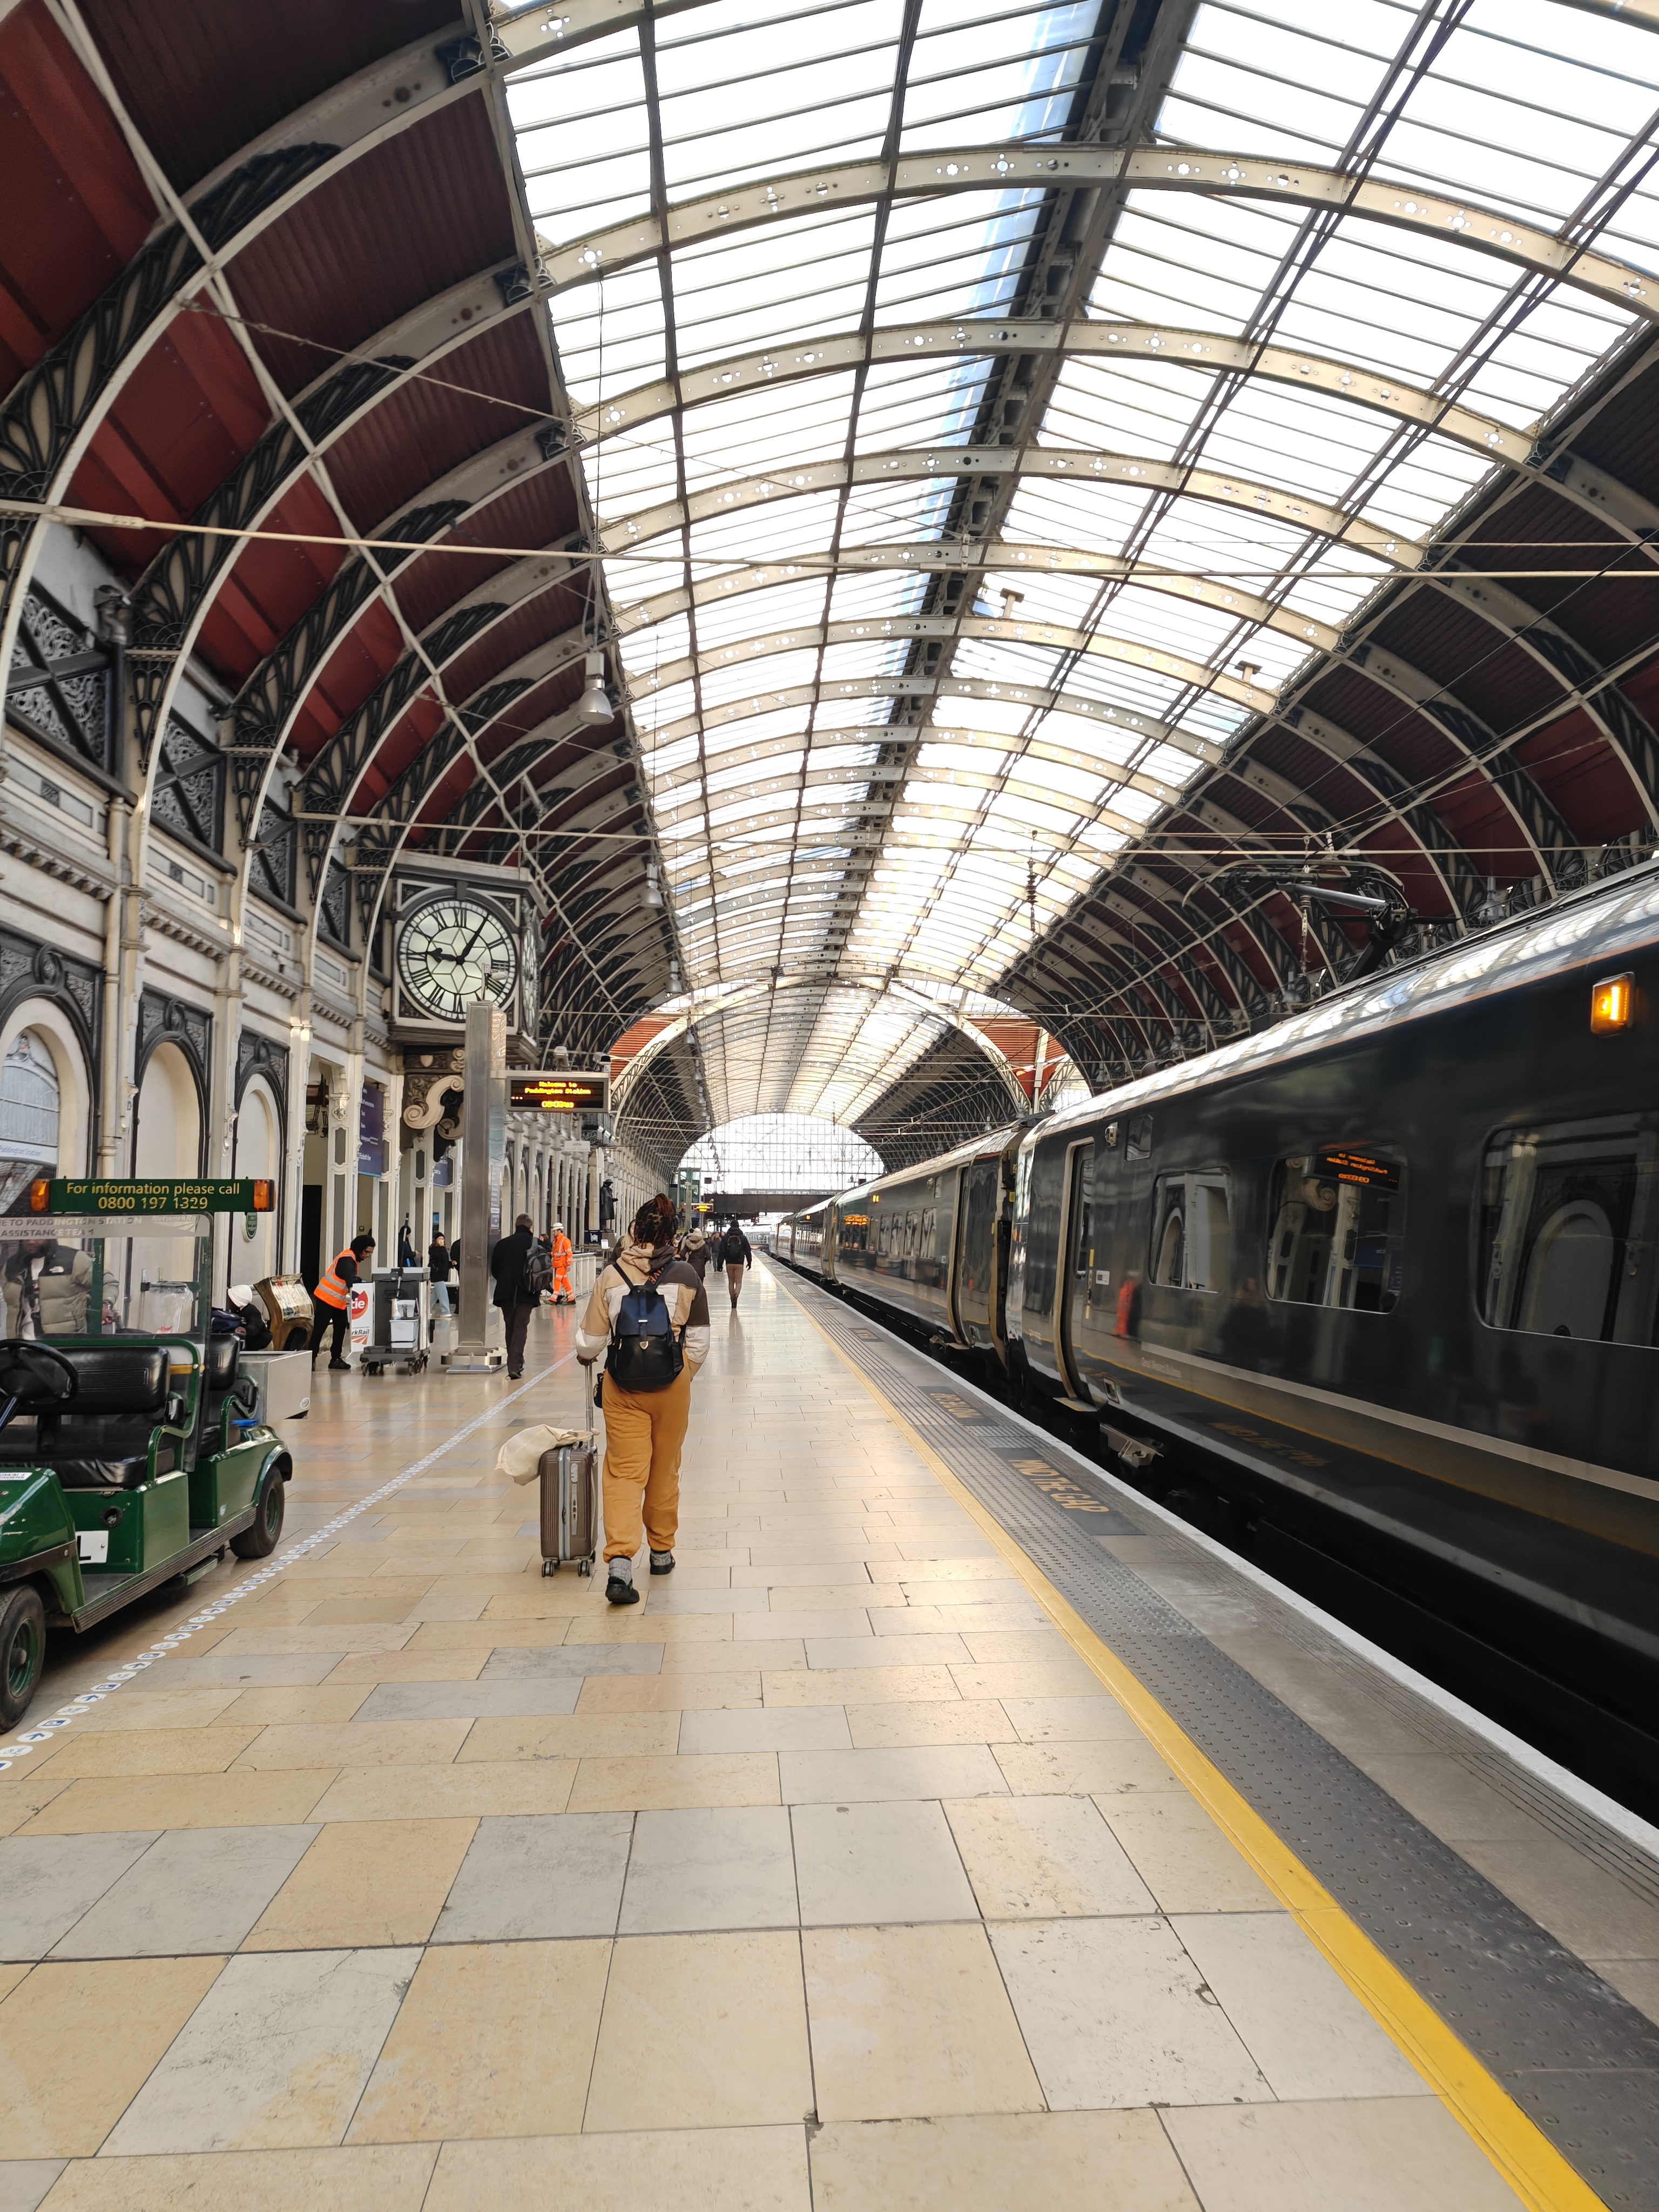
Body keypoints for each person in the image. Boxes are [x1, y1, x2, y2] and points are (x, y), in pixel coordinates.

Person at [576, 1194, 710, 1606]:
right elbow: (700, 1345)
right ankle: (661, 1552)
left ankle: (619, 1565)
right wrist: (679, 1376)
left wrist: (589, 1354)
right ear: (672, 1235)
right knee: (664, 1471)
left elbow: (590, 1342)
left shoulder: (611, 1275)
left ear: (634, 1231)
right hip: (672, 1391)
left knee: (623, 1473)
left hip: (623, 1390)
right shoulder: (688, 1274)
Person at [2, 1237, 92, 1337]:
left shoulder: (73, 1259)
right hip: (21, 1344)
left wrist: (105, 1304)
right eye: (27, 1235)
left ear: (50, 1236)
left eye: (37, 1236)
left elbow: (105, 1282)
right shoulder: (12, 1265)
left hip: (64, 1343)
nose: (31, 1241)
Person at [312, 1232, 374, 1370]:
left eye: (370, 1254)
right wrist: (365, 1284)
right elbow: (351, 1280)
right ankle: (311, 1358)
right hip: (326, 1298)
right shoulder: (347, 1259)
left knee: (341, 1326)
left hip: (336, 1300)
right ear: (360, 1249)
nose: (367, 1256)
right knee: (320, 1329)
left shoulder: (351, 1258)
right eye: (366, 1252)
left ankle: (335, 1359)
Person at [491, 1211, 539, 1378]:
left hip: (505, 1294)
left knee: (510, 1326)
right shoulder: (536, 1244)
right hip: (527, 1293)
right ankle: (515, 1364)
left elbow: (495, 1270)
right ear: (530, 1227)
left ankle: (515, 1362)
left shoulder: (502, 1244)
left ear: (516, 1226)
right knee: (521, 1328)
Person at [720, 1219, 753, 1309]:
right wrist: (749, 1262)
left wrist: (720, 1265)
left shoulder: (726, 1237)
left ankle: (732, 1299)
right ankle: (736, 1294)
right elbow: (748, 1251)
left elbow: (721, 1251)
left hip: (729, 1263)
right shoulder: (743, 1238)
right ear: (738, 1226)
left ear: (730, 1226)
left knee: (731, 1282)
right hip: (740, 1263)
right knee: (738, 1282)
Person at [550, 1219, 574, 1305]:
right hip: (558, 1264)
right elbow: (557, 1253)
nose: (553, 1233)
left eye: (555, 1231)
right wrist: (551, 1254)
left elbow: (569, 1253)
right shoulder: (556, 1241)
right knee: (565, 1281)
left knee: (557, 1280)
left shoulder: (565, 1241)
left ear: (559, 1231)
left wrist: (569, 1264)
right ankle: (571, 1298)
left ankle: (554, 1299)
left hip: (562, 1264)